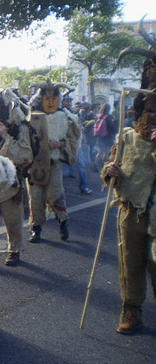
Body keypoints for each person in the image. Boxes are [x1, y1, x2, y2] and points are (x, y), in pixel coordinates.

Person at [101, 107, 156, 334]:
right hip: (130, 210)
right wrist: (109, 170)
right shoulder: (127, 137)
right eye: (149, 113)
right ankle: (132, 313)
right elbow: (111, 165)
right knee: (130, 263)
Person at [0, 89, 33, 266]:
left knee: (13, 221)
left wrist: (5, 136)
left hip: (11, 184)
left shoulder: (21, 127)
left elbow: (25, 155)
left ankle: (15, 250)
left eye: (2, 108)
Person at [27, 80, 81, 243]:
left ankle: (63, 222)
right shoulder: (31, 118)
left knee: (56, 195)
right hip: (35, 165)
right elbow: (24, 139)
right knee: (35, 198)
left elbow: (73, 139)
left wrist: (60, 144)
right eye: (46, 99)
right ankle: (36, 229)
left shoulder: (67, 118)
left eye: (53, 99)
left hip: (54, 163)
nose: (50, 102)